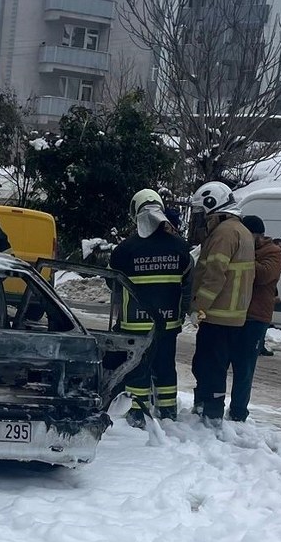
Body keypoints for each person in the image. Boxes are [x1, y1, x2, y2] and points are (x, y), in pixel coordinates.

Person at [109, 189, 193, 425]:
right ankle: (167, 413)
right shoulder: (180, 247)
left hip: (134, 324)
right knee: (165, 367)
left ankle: (137, 413)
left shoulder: (124, 250)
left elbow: (111, 283)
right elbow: (188, 283)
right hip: (168, 323)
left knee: (137, 369)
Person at [188, 181, 255, 423]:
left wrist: (199, 307)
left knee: (209, 365)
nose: (201, 219)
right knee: (213, 364)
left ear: (211, 204)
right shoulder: (240, 230)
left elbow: (214, 275)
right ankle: (208, 407)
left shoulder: (224, 233)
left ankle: (210, 411)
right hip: (233, 316)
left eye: (201, 212)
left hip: (218, 315)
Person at [228, 215, 281, 421]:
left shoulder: (274, 253)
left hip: (255, 316)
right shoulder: (248, 249)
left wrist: (244, 257)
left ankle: (238, 412)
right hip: (234, 313)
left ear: (258, 236)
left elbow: (263, 275)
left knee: (244, 368)